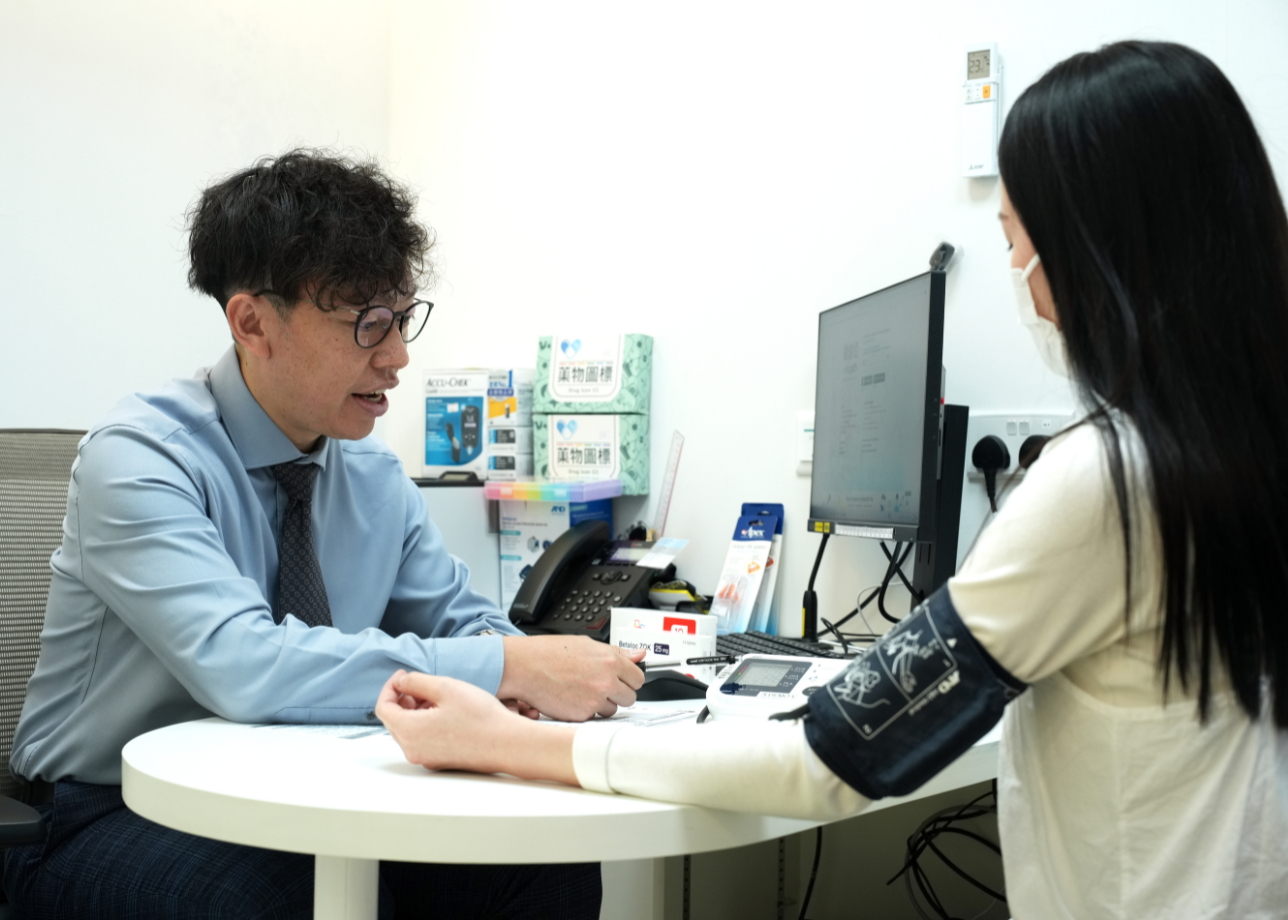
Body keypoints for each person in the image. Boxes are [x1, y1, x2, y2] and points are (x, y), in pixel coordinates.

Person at [374, 41, 1288, 919]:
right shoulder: (1235, 457)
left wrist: (513, 742)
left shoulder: (1107, 484)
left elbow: (832, 759)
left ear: (1093, 248)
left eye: (1017, 240)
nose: (1017, 272)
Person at [4, 149, 645, 919]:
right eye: (368, 324)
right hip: (106, 809)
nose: (398, 356)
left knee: (539, 862)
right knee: (286, 901)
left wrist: (527, 677)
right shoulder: (140, 458)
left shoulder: (373, 474)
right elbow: (247, 666)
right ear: (252, 323)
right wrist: (510, 665)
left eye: (402, 319)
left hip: (314, 792)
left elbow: (459, 621)